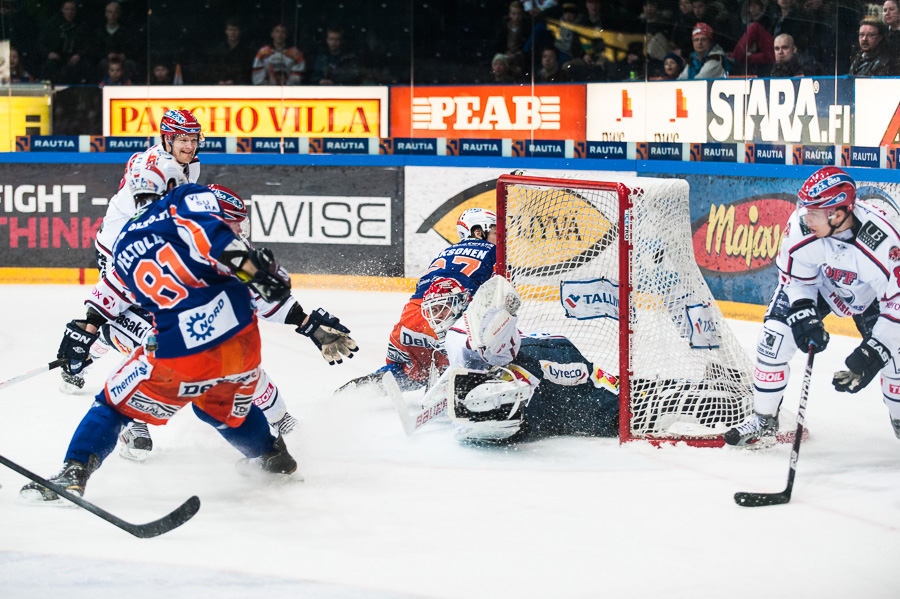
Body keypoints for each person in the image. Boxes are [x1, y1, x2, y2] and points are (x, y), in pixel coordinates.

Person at [20, 171, 358, 502]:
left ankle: (74, 472)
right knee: (216, 407)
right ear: (171, 184)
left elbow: (111, 293)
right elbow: (225, 250)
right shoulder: (184, 201)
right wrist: (301, 315)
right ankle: (272, 455)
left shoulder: (123, 242)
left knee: (112, 403)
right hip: (241, 343)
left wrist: (85, 329)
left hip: (181, 351)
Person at [725, 167, 900, 446]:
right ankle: (763, 418)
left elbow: (897, 307)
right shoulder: (801, 226)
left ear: (839, 214)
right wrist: (803, 312)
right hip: (823, 286)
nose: (805, 217)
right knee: (775, 337)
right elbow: (795, 279)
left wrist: (873, 353)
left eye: (814, 212)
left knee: (896, 359)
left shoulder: (884, 242)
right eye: (805, 209)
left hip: (874, 297)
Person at [431, 276, 620, 443]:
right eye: (433, 311)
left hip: (530, 362)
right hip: (553, 351)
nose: (436, 317)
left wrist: (460, 419)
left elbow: (488, 357)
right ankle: (637, 398)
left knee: (503, 422)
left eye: (441, 309)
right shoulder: (471, 321)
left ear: (458, 304)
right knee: (606, 411)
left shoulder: (456, 331)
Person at [338, 208, 498, 393]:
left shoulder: (445, 251)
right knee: (476, 364)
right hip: (447, 322)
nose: (500, 237)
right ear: (478, 231)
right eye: (495, 231)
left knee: (409, 374)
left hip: (411, 318)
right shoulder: (495, 252)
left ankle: (360, 392)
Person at [38, 0, 92, 84]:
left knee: (86, 66)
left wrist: (79, 55)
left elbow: (87, 44)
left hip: (74, 57)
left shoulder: (82, 25)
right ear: (62, 10)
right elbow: (42, 43)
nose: (69, 12)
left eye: (72, 9)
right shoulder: (53, 24)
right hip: (57, 57)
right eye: (67, 9)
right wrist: (49, 53)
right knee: (49, 65)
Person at [206, 18, 256, 85]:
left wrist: (234, 81)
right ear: (226, 31)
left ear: (240, 31)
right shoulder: (218, 50)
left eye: (235, 30)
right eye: (230, 30)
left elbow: (247, 71)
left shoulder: (247, 51)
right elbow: (212, 69)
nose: (232, 33)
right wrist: (218, 80)